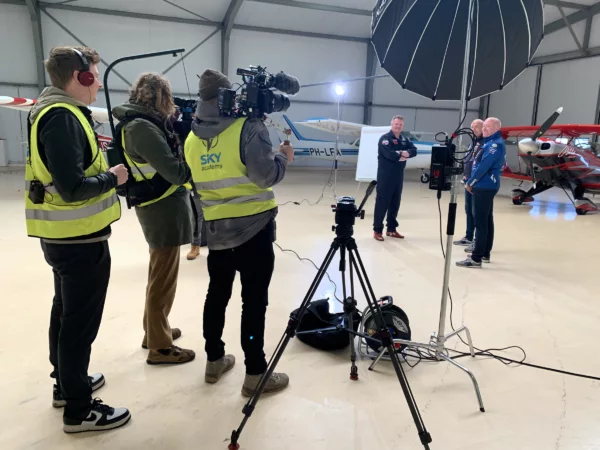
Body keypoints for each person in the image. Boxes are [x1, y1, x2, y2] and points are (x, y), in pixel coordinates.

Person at [25, 46, 130, 433]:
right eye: (95, 76)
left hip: (64, 236)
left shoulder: (52, 111)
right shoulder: (62, 117)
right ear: (80, 77)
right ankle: (79, 410)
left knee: (65, 312)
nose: (99, 83)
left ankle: (65, 384)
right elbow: (71, 187)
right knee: (79, 325)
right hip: (78, 239)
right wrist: (113, 178)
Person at [184, 69, 294, 397]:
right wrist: (283, 159)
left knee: (217, 296)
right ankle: (255, 373)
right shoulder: (248, 128)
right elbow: (265, 177)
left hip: (216, 232)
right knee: (253, 302)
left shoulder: (191, 139)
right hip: (254, 230)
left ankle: (214, 359)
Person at [112, 72, 196, 364]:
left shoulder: (143, 123)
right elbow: (174, 171)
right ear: (161, 97)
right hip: (161, 208)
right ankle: (160, 348)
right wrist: (195, 166)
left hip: (160, 207)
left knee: (159, 273)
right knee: (163, 278)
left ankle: (154, 331)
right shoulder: (141, 128)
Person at [456, 117, 506, 268]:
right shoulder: (490, 142)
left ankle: (476, 258)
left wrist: (471, 182)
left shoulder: (494, 145)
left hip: (484, 186)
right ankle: (484, 253)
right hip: (485, 185)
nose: (484, 129)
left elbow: (483, 166)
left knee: (480, 223)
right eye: (484, 126)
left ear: (497, 129)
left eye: (488, 127)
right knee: (487, 221)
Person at [372, 115, 417, 241]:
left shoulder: (404, 139)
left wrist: (405, 153)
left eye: (400, 124)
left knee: (395, 203)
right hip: (385, 177)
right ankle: (377, 230)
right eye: (396, 124)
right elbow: (389, 154)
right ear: (392, 124)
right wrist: (402, 154)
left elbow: (414, 150)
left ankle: (391, 229)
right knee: (382, 203)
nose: (398, 126)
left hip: (398, 176)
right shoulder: (385, 139)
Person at [453, 119, 484, 247]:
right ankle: (469, 236)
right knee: (469, 210)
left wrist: (472, 180)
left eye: (477, 126)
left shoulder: (484, 143)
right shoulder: (473, 142)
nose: (474, 129)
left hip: (476, 183)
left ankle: (477, 239)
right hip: (468, 181)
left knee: (476, 211)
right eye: (472, 127)